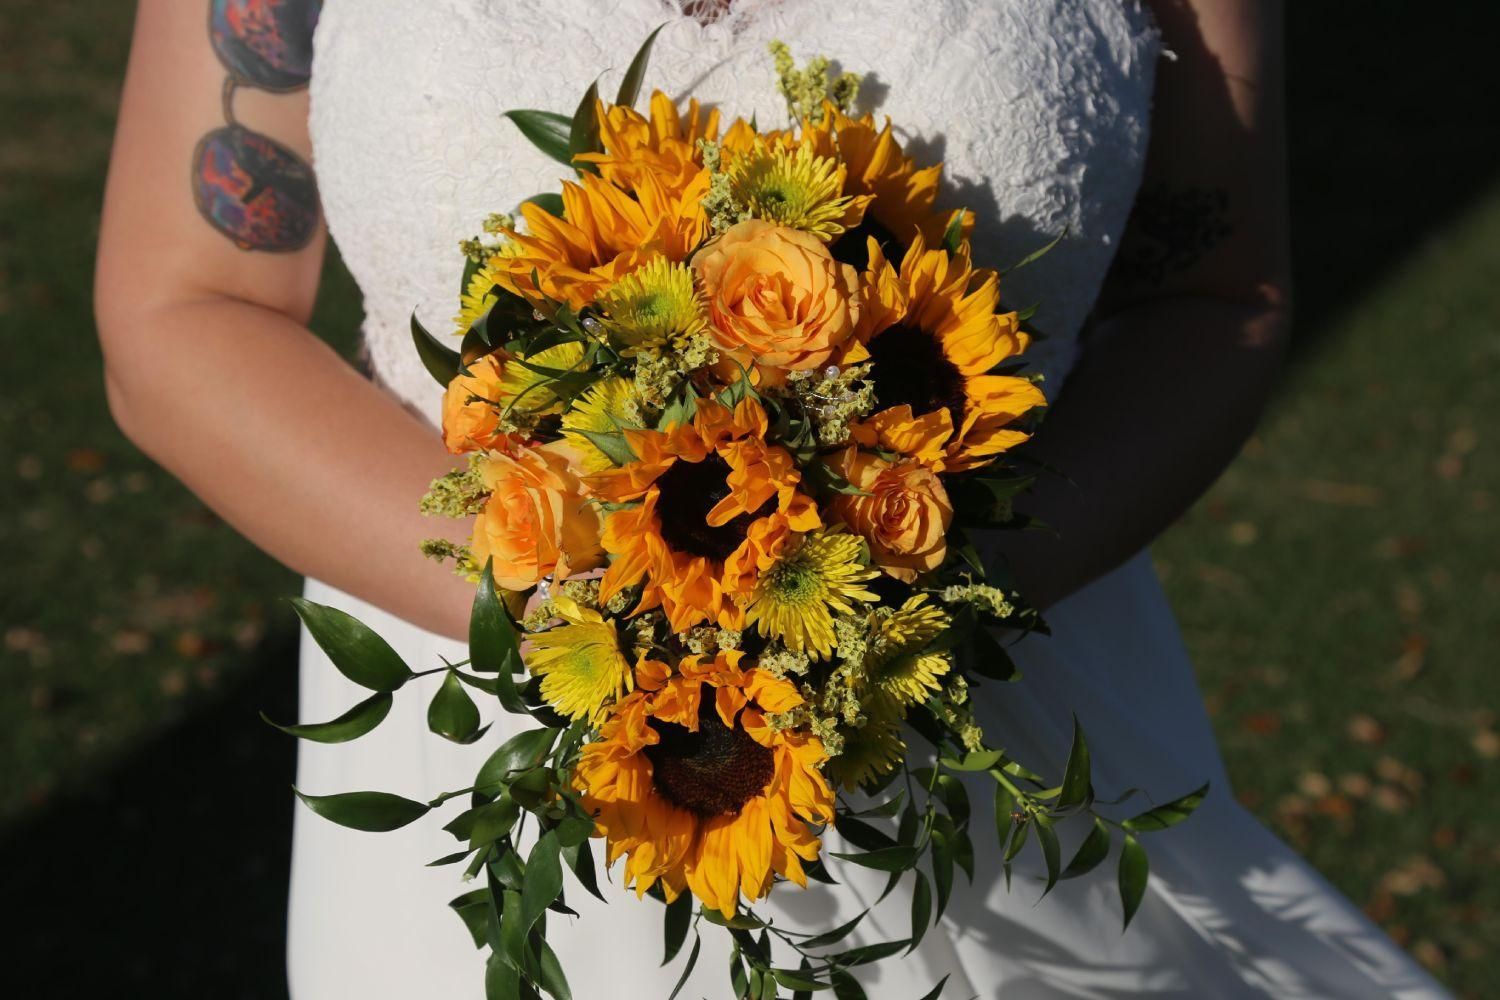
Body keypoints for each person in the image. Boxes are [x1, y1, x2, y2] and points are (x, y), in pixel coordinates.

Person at [95, 1, 1449, 996]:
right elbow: (184, 309)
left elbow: (1215, 294)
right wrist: (602, 621)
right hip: (480, 741)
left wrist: (904, 613)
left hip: (1001, 733)